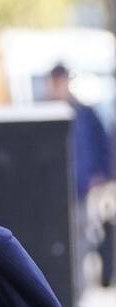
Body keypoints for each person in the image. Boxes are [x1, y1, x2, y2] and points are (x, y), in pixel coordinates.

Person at [47, 62, 113, 295]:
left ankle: (76, 289)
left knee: (82, 239)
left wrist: (101, 177)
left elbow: (102, 146)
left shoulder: (84, 113)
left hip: (80, 189)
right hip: (54, 192)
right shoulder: (45, 113)